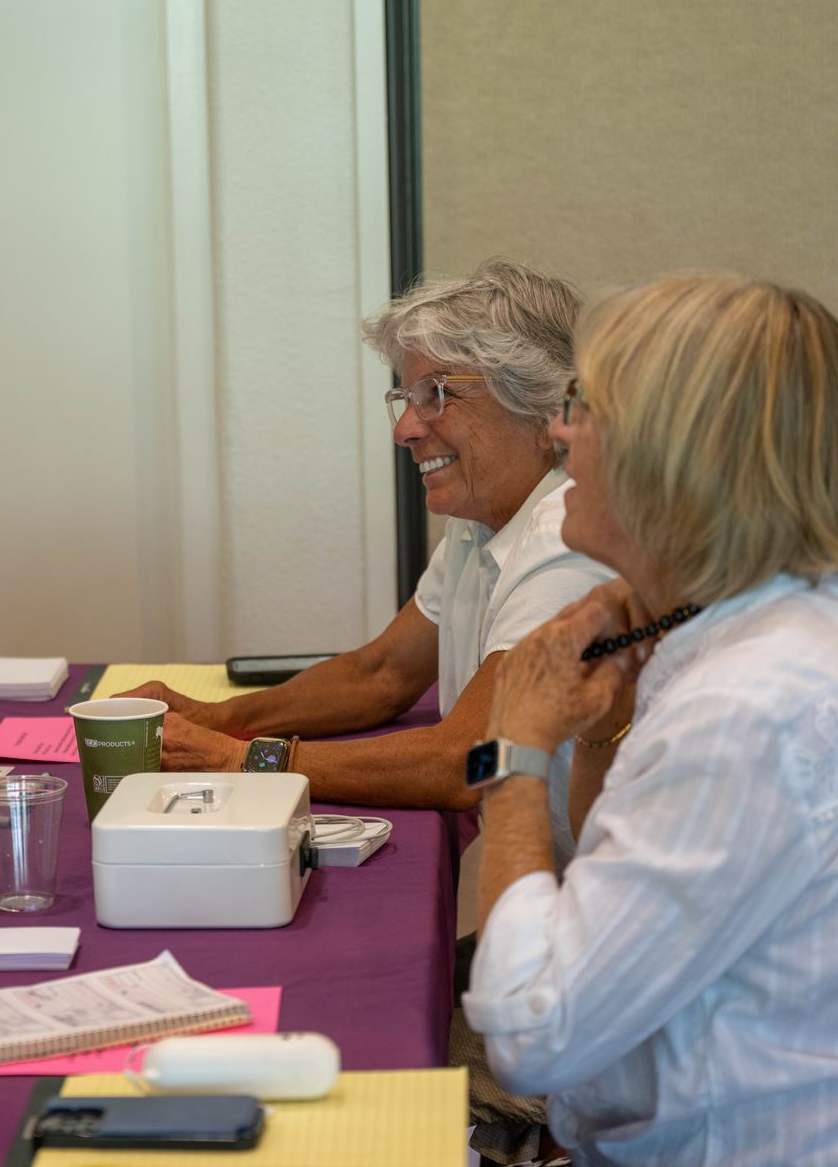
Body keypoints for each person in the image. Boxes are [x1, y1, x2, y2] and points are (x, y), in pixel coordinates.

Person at [463, 275, 838, 1163]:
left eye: (581, 406)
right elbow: (624, 887)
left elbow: (533, 1030)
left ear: (669, 453)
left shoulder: (749, 706)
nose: (559, 432)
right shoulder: (832, 623)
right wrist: (594, 724)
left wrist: (511, 754)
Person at [128, 260, 617, 843]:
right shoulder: (483, 518)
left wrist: (242, 760)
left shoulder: (570, 532)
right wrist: (211, 720)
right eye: (407, 397)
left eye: (437, 394)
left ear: (543, 411)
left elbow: (469, 759)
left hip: (606, 911)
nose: (405, 428)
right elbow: (380, 674)